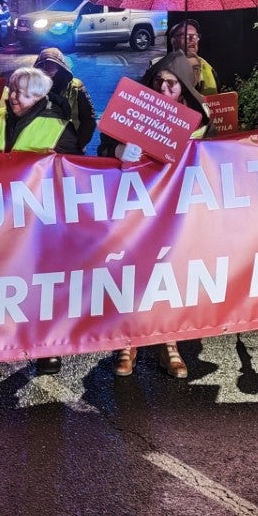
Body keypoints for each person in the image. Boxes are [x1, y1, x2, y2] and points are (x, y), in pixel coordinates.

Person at [0, 65, 80, 375]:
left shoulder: (57, 126)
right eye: (13, 90)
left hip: (37, 218)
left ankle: (47, 349)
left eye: (22, 94)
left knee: (39, 285)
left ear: (39, 97)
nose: (13, 97)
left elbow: (73, 165)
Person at [99, 63, 209, 380]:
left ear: (184, 89)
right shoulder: (134, 111)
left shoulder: (201, 121)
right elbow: (105, 147)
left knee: (170, 276)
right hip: (136, 210)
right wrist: (122, 149)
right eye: (159, 82)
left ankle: (168, 344)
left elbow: (216, 159)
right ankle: (128, 342)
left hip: (177, 212)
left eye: (172, 84)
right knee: (133, 274)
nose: (164, 89)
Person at [35, 47, 96, 154]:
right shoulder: (32, 87)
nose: (46, 68)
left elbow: (88, 119)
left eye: (51, 64)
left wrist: (79, 144)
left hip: (68, 146)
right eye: (42, 65)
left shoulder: (75, 87)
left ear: (59, 67)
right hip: (39, 145)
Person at [158, 21, 218, 96]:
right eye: (186, 35)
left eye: (195, 36)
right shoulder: (161, 67)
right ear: (173, 41)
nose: (192, 38)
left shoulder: (208, 67)